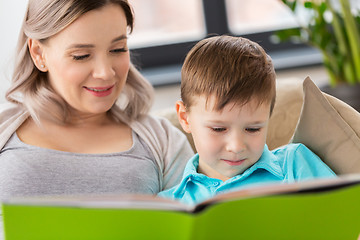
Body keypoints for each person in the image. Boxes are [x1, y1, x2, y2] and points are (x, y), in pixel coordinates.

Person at [0, 0, 194, 200]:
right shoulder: (4, 128)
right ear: (39, 54)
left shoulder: (164, 140)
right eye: (81, 55)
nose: (105, 73)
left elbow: (195, 222)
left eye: (118, 49)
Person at [158, 35, 336, 205]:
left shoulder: (295, 165)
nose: (236, 146)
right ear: (185, 118)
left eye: (253, 129)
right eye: (218, 129)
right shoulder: (167, 205)